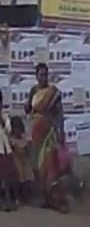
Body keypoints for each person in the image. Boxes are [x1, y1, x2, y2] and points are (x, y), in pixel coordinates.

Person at [26, 63, 70, 212]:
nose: (43, 77)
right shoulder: (33, 91)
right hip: (36, 132)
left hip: (49, 132)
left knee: (52, 166)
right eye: (40, 74)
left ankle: (59, 201)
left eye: (45, 74)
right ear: (36, 76)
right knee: (39, 168)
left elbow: (60, 114)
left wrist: (61, 131)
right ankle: (47, 199)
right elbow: (28, 109)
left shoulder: (54, 93)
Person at [0, 92, 18, 211]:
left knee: (7, 175)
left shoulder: (4, 116)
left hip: (4, 148)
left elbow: (8, 129)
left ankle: (9, 200)